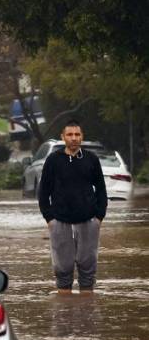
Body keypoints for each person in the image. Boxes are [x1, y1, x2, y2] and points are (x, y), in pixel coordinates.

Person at [37, 119, 107, 295]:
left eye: (77, 134)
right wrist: (49, 218)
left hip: (89, 220)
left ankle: (86, 306)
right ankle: (64, 310)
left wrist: (99, 217)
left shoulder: (91, 159)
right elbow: (43, 191)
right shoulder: (53, 160)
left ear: (82, 136)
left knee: (88, 266)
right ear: (63, 137)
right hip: (60, 220)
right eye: (70, 135)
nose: (74, 138)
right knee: (63, 267)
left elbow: (101, 189)